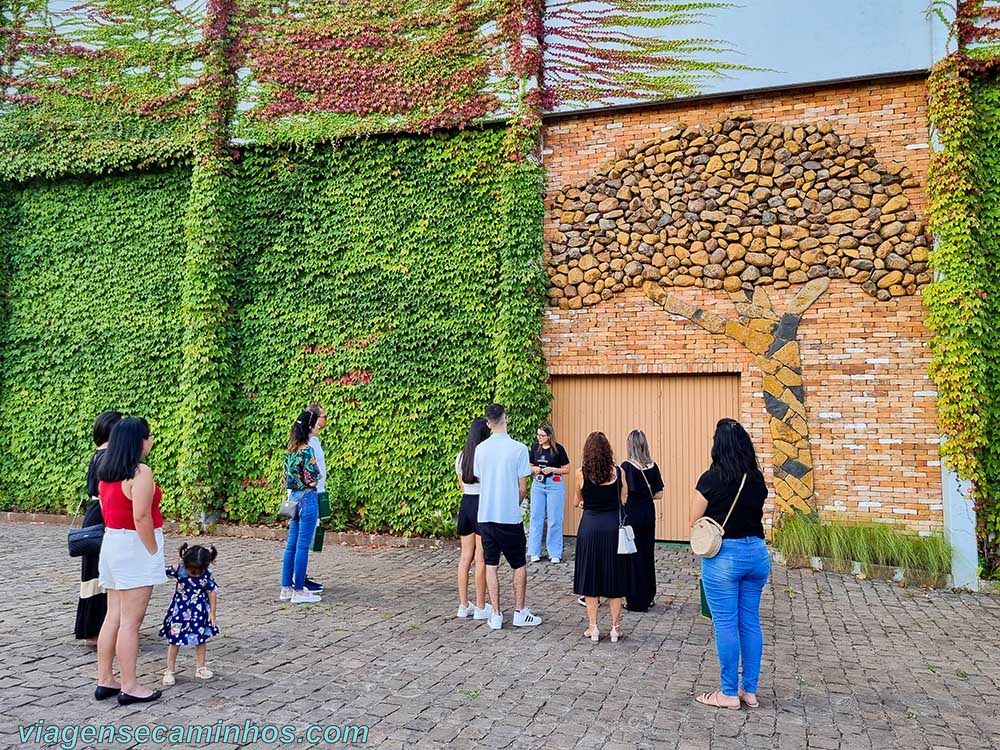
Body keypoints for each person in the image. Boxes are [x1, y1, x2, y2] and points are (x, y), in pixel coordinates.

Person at [692, 418, 770, 710]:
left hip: (725, 556)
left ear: (717, 446)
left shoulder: (711, 479)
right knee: (750, 621)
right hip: (757, 553)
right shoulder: (757, 479)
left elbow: (695, 521)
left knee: (725, 623)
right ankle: (749, 691)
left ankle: (727, 692)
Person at [95, 416, 166, 705]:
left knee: (113, 616)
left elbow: (105, 508)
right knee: (130, 623)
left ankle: (105, 679)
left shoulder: (106, 471)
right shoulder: (140, 473)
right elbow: (141, 516)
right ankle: (130, 685)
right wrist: (152, 550)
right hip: (134, 546)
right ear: (139, 441)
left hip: (112, 543)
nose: (151, 442)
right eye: (148, 437)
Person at [473, 404, 542, 630]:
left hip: (486, 515)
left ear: (488, 423)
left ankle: (496, 613)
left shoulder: (481, 449)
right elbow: (523, 488)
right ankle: (520, 611)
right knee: (518, 564)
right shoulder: (519, 449)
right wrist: (514, 504)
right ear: (507, 419)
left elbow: (480, 478)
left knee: (490, 564)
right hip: (509, 516)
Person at [573, 432, 628, 642]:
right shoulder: (618, 472)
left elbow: (578, 501)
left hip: (590, 527)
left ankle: (593, 627)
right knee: (614, 577)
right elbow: (624, 499)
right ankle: (615, 628)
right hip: (613, 527)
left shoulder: (581, 473)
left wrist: (586, 502)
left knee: (590, 577)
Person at [76, 410, 122, 645]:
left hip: (94, 514)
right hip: (102, 516)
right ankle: (98, 631)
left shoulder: (98, 454)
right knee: (101, 575)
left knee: (95, 574)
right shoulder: (108, 456)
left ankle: (96, 629)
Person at [160, 543, 219, 685]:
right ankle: (169, 670)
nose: (194, 573)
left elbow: (212, 592)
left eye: (198, 571)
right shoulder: (179, 569)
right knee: (174, 641)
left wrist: (212, 612)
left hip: (199, 612)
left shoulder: (207, 574)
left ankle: (201, 667)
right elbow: (160, 571)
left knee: (201, 639)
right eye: (191, 570)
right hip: (179, 611)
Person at [280, 409, 322, 604]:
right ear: (310, 427)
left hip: (294, 499)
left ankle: (286, 587)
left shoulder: (291, 451)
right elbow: (313, 480)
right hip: (308, 498)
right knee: (303, 546)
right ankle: (299, 591)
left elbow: (285, 479)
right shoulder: (307, 450)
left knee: (291, 545)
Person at [621, 429, 664, 612]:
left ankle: (635, 598)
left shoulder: (626, 467)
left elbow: (623, 493)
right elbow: (659, 493)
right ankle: (649, 595)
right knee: (647, 553)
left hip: (632, 513)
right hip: (648, 511)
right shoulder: (653, 466)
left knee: (633, 555)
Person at [455, 418, 491, 619]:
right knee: (481, 558)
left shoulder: (461, 457)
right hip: (481, 504)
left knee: (464, 557)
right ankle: (479, 605)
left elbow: (462, 486)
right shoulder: (484, 457)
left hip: (466, 504)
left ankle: (463, 604)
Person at [528, 424, 570, 564]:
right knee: (536, 517)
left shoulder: (558, 449)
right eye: (538, 435)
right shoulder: (535, 448)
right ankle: (534, 551)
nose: (539, 438)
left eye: (542, 435)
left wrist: (552, 469)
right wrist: (536, 469)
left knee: (554, 519)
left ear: (549, 436)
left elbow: (567, 469)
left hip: (554, 483)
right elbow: (529, 465)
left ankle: (555, 552)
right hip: (538, 484)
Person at [303, 403, 328, 590]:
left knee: (311, 537)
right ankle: (298, 580)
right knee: (302, 540)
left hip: (317, 493)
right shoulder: (306, 443)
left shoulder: (315, 441)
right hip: (307, 496)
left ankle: (301, 576)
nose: (325, 420)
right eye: (323, 416)